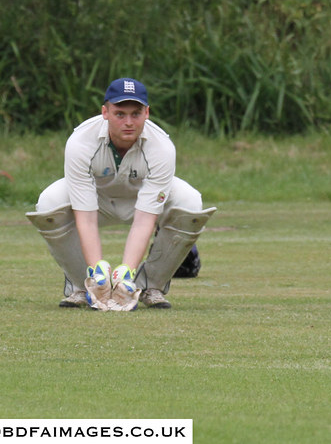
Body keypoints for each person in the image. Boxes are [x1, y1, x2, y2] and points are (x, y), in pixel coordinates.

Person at [26, 77, 216, 311]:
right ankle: (85, 286)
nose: (128, 122)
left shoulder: (162, 147)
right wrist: (97, 267)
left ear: (147, 113)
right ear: (105, 112)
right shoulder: (80, 142)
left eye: (135, 114)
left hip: (141, 199)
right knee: (48, 202)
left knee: (191, 202)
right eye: (120, 114)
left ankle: (148, 286)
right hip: (97, 200)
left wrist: (127, 271)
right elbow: (85, 217)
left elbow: (145, 220)